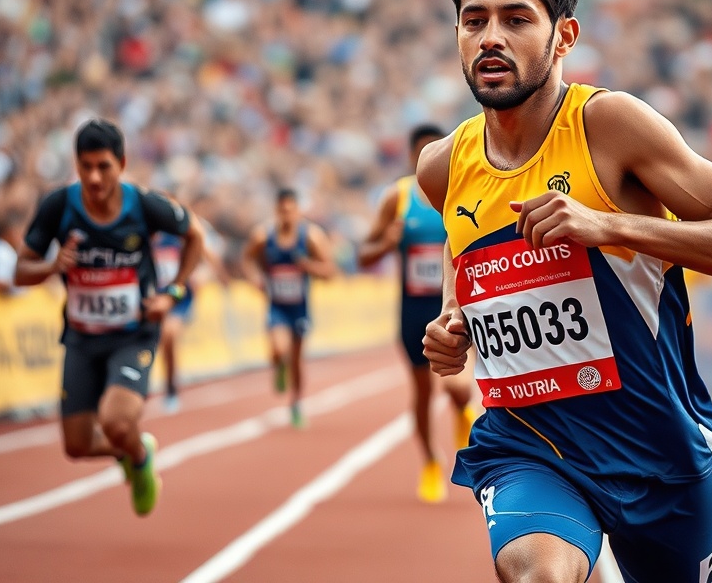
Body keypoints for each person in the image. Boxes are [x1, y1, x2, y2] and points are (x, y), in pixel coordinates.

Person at [419, 0, 712, 583]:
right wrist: (455, 318)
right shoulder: (443, 166)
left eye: (516, 19)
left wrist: (611, 227)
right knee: (537, 574)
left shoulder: (611, 126)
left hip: (658, 455)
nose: (491, 38)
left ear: (564, 35)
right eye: (473, 20)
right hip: (529, 444)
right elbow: (465, 253)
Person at [15, 119, 204, 517]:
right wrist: (52, 267)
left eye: (103, 166)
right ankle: (135, 451)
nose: (94, 177)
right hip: (82, 339)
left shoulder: (145, 204)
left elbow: (196, 236)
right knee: (77, 447)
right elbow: (19, 271)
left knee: (117, 422)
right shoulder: (58, 207)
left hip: (133, 335)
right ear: (76, 165)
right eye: (86, 167)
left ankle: (136, 456)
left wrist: (173, 292)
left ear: (122, 163)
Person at [358, 123, 476, 503]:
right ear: (413, 157)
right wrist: (386, 243)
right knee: (423, 393)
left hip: (455, 305)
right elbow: (363, 255)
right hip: (412, 311)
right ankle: (429, 462)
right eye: (422, 153)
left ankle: (462, 412)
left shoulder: (462, 190)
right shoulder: (398, 197)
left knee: (458, 388)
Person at [242, 188, 338, 428]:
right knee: (278, 349)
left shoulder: (311, 237)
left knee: (296, 360)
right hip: (276, 306)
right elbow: (246, 259)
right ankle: (278, 366)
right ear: (276, 211)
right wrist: (255, 278)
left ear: (298, 210)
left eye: (291, 210)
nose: (286, 216)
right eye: (282, 211)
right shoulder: (264, 236)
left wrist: (307, 266)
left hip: (300, 307)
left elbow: (329, 271)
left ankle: (296, 403)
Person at [152, 217, 229, 413]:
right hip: (156, 297)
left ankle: (170, 388)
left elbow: (206, 252)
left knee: (169, 335)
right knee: (160, 342)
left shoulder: (183, 232)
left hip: (179, 298)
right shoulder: (151, 234)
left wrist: (214, 274)